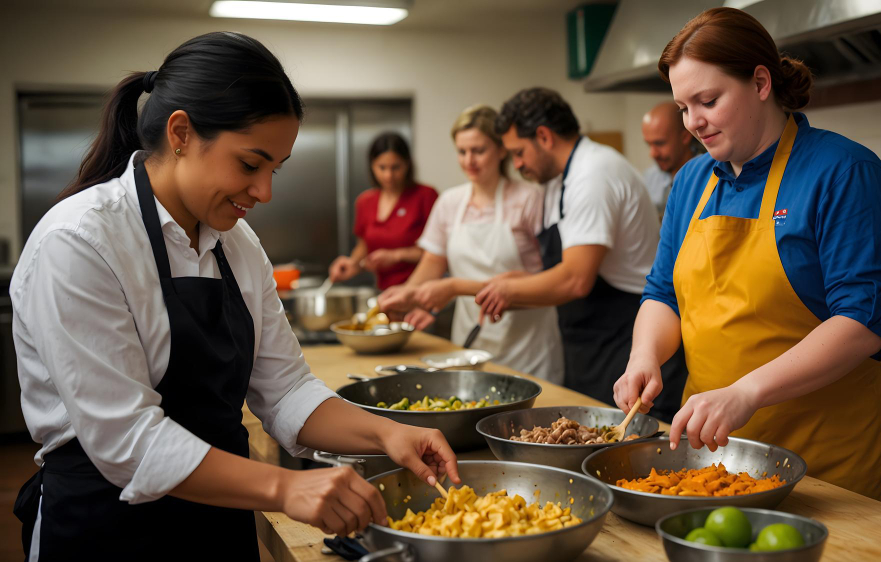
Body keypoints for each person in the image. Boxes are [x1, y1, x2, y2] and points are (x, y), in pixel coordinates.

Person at [10, 32, 460, 561]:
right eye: (251, 164)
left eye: (276, 169)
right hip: (105, 531)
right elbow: (127, 441)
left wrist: (388, 434)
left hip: (217, 525)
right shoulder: (81, 241)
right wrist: (285, 487)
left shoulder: (235, 242)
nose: (265, 191)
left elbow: (286, 388)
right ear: (181, 133)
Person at [613, 7, 881, 508]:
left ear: (760, 82)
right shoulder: (691, 182)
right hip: (715, 460)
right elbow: (663, 292)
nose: (693, 124)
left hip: (832, 468)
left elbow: (863, 321)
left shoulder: (844, 171)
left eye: (707, 100)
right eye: (684, 107)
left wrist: (746, 392)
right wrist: (645, 355)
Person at [476, 88, 684, 420]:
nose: (516, 165)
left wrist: (508, 290)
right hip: (591, 345)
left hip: (627, 342)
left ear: (543, 136)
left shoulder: (593, 174)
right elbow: (565, 269)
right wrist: (513, 286)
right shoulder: (560, 180)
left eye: (518, 152)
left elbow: (575, 280)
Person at [378, 105, 564, 383]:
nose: (469, 160)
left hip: (528, 346)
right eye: (462, 152)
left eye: (478, 150)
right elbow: (433, 261)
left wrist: (451, 288)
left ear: (501, 149)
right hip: (469, 343)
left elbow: (550, 277)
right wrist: (406, 297)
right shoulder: (450, 202)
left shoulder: (530, 199)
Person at [328, 133, 437, 290]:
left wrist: (397, 255)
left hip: (421, 290)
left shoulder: (426, 196)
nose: (388, 175)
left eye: (395, 167)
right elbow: (364, 246)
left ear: (407, 164)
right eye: (382, 168)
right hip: (384, 290)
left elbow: (437, 252)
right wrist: (352, 263)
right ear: (372, 166)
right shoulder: (365, 201)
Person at [641, 102, 697, 214]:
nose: (653, 154)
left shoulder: (709, 176)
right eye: (649, 144)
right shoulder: (649, 179)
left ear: (685, 137)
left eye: (659, 143)